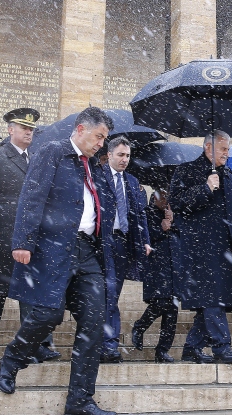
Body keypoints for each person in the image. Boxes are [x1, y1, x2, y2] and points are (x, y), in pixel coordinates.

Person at [0, 107, 117, 415]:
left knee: (93, 322)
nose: (101, 144)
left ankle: (80, 401)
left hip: (87, 251)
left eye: (104, 139)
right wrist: (23, 241)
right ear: (81, 129)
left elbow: (103, 206)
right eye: (98, 136)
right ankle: (13, 359)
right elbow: (32, 196)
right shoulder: (53, 151)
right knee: (48, 314)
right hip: (53, 247)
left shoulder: (95, 165)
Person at [0, 108, 58, 364]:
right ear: (10, 130)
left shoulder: (36, 159)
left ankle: (34, 347)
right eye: (24, 128)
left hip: (28, 240)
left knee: (31, 296)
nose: (29, 133)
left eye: (31, 129)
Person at [169, 130, 232, 364]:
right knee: (213, 298)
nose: (227, 153)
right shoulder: (187, 170)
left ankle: (192, 347)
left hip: (227, 250)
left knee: (214, 298)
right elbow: (177, 203)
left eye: (228, 149)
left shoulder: (229, 177)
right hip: (200, 249)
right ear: (208, 147)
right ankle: (221, 346)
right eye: (223, 149)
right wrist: (205, 188)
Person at [99, 136, 151, 363]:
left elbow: (140, 214)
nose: (124, 159)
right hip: (101, 241)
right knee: (108, 293)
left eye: (128, 155)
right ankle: (108, 343)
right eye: (120, 155)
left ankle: (107, 342)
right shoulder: (97, 176)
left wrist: (145, 240)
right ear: (109, 155)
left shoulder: (131, 181)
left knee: (113, 292)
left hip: (123, 243)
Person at [131, 188, 179, 363]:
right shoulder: (147, 213)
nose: (165, 200)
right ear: (155, 197)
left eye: (168, 197)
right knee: (161, 302)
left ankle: (162, 350)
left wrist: (173, 221)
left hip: (173, 267)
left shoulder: (173, 214)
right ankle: (140, 326)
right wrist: (161, 228)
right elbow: (145, 237)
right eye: (162, 196)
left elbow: (180, 236)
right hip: (157, 266)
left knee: (172, 310)